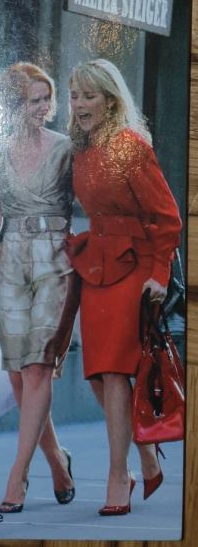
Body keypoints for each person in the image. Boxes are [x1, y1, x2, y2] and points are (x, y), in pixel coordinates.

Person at [67, 58, 182, 516]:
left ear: (111, 101)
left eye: (88, 96)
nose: (79, 105)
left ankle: (118, 475)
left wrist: (159, 275)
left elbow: (167, 218)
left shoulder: (130, 147)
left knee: (115, 373)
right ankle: (146, 453)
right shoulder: (82, 149)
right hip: (96, 269)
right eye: (74, 96)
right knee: (98, 375)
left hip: (135, 269)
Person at [0, 63, 78, 513]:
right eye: (34, 100)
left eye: (46, 98)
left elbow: (95, 197)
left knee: (37, 369)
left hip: (56, 260)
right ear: (13, 106)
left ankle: (18, 475)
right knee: (16, 376)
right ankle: (57, 460)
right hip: (12, 260)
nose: (43, 107)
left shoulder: (67, 148)